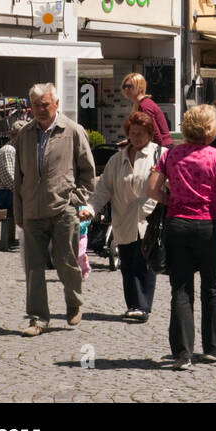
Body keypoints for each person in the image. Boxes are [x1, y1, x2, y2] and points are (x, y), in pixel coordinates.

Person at [147, 104, 216, 370]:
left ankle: (182, 353)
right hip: (207, 225)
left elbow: (152, 189)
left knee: (180, 289)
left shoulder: (170, 155)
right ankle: (214, 347)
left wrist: (171, 201)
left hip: (177, 225)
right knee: (212, 288)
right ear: (211, 130)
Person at [13, 83, 96, 336]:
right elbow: (19, 177)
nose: (40, 109)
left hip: (63, 209)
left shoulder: (72, 130)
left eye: (45, 104)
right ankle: (38, 318)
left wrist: (76, 199)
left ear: (56, 104)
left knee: (66, 262)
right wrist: (19, 213)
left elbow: (88, 172)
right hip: (33, 212)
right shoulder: (25, 134)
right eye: (36, 105)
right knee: (33, 267)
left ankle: (74, 302)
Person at [80, 111, 160, 322]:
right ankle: (133, 304)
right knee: (127, 263)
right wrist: (90, 208)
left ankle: (143, 307)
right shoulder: (117, 159)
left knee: (145, 263)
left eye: (141, 134)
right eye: (133, 133)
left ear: (150, 134)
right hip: (123, 217)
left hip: (148, 219)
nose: (136, 138)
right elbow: (104, 189)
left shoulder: (159, 155)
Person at [0, 119, 27, 251]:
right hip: (3, 194)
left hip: (9, 192)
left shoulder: (19, 150)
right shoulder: (9, 150)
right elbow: (10, 179)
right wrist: (25, 193)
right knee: (32, 205)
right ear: (15, 136)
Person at [121, 72, 172, 147]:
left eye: (130, 86)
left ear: (140, 88)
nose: (126, 89)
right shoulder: (139, 104)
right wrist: (130, 141)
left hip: (160, 149)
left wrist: (155, 154)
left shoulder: (144, 106)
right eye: (124, 86)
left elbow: (155, 134)